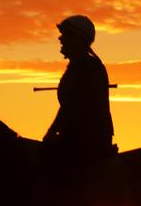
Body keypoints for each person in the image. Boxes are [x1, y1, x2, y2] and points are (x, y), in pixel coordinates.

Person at [41, 15, 116, 182]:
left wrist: (52, 132)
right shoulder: (78, 66)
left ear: (77, 39)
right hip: (76, 136)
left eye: (65, 34)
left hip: (87, 140)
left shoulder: (88, 67)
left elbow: (72, 107)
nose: (60, 38)